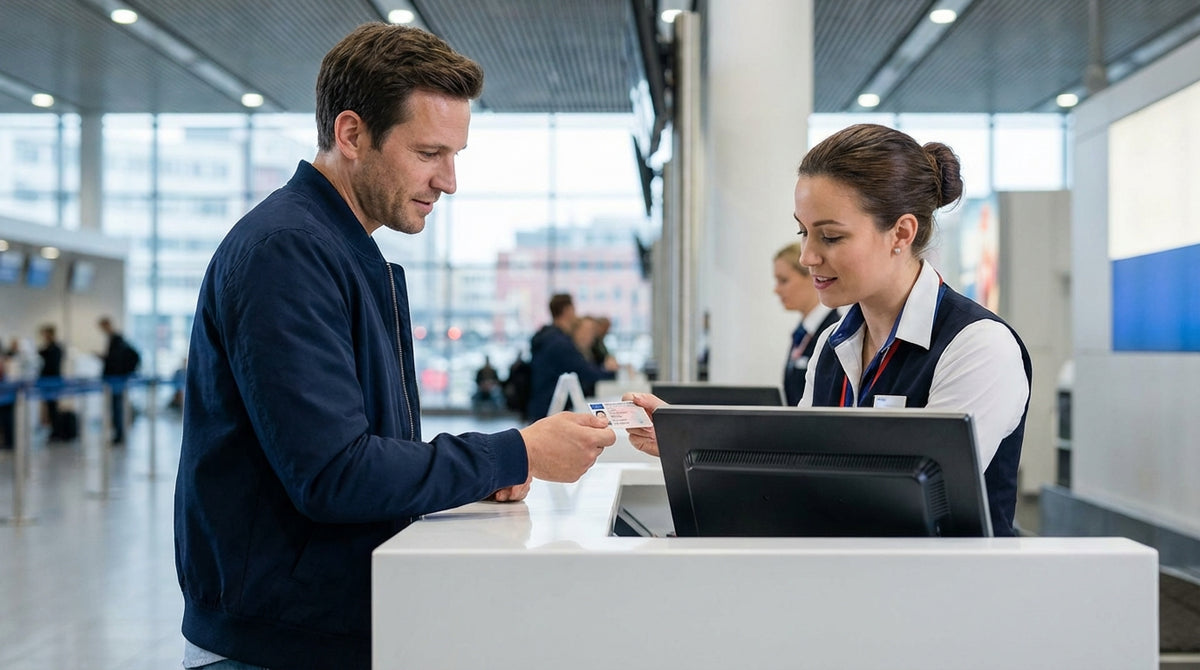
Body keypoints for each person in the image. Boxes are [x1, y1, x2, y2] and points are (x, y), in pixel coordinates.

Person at [173, 23, 615, 670]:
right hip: (275, 644)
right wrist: (515, 451)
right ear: (351, 135)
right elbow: (333, 473)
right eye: (430, 152)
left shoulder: (344, 251)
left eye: (455, 155)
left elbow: (371, 452)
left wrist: (480, 476)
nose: (450, 181)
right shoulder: (288, 253)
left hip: (320, 627)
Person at [625, 123, 1031, 537]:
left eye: (830, 237)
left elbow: (912, 505)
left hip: (949, 593)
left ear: (901, 233)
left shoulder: (977, 346)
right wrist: (691, 445)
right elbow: (803, 464)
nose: (807, 256)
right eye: (803, 232)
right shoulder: (833, 344)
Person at [527, 293, 617, 421]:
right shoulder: (560, 343)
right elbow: (586, 372)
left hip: (542, 403)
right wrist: (610, 372)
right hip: (551, 408)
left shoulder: (547, 337)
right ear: (567, 310)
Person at [773, 242, 840, 405]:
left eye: (784, 281)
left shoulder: (835, 333)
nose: (776, 290)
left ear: (811, 276)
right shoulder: (802, 333)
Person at [98, 316, 139, 445]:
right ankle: (118, 434)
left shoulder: (116, 339)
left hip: (116, 379)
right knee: (116, 407)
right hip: (116, 379)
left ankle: (119, 435)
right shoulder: (117, 339)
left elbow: (113, 360)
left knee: (117, 407)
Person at [36, 324, 64, 439]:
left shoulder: (55, 349)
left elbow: (51, 365)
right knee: (50, 407)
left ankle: (56, 431)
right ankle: (54, 430)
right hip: (49, 380)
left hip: (52, 381)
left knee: (53, 406)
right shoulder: (50, 348)